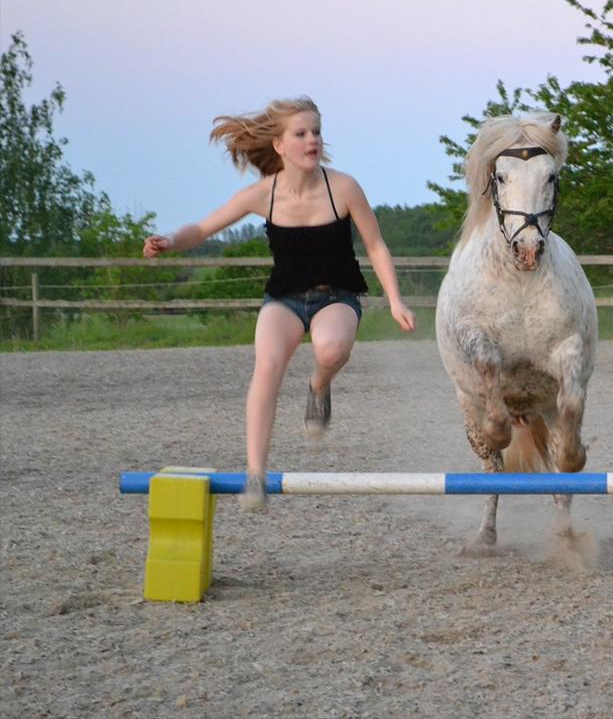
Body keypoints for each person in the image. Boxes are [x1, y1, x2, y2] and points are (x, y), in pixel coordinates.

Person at [143, 97, 416, 512]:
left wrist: (395, 300)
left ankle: (318, 386)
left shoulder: (343, 188)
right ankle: (256, 475)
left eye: (316, 132)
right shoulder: (261, 194)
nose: (312, 140)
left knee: (330, 349)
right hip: (284, 300)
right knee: (266, 368)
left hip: (336, 296)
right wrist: (169, 241)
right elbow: (201, 229)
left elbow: (376, 246)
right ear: (279, 145)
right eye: (301, 133)